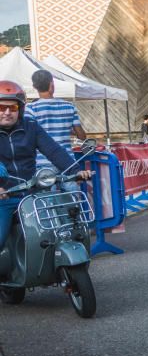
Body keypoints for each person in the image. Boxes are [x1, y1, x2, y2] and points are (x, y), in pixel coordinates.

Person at [0, 81, 92, 252]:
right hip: (4, 197)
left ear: (20, 109)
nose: (7, 112)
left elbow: (54, 150)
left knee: (55, 231)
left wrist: (76, 171)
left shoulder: (31, 127)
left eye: (12, 108)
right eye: (1, 107)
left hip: (32, 194)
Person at [24, 69, 87, 171]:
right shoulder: (69, 106)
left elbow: (28, 137)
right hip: (68, 162)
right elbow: (82, 136)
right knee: (72, 187)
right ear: (51, 84)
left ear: (34, 87)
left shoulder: (30, 108)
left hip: (43, 164)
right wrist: (65, 130)